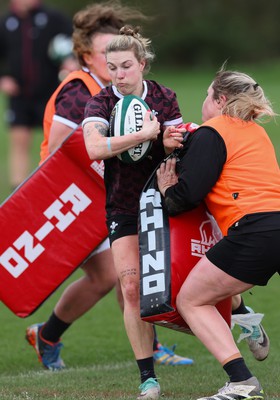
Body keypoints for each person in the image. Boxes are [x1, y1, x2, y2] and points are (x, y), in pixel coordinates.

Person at [25, 2, 193, 373]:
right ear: (87, 55)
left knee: (126, 275)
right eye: (105, 56)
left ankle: (149, 344)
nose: (113, 64)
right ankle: (49, 335)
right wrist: (123, 150)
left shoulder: (128, 94)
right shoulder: (79, 90)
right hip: (72, 198)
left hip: (107, 193)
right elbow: (58, 153)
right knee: (110, 276)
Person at [156, 64, 280, 400]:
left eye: (209, 95)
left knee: (191, 300)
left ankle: (241, 381)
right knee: (216, 280)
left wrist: (167, 188)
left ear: (221, 100)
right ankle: (247, 319)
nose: (205, 102)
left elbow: (186, 197)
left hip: (253, 230)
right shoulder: (255, 131)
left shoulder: (213, 131)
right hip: (271, 224)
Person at [82, 25, 189, 399]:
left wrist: (171, 140)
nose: (119, 75)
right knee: (131, 287)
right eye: (112, 68)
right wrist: (145, 136)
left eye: (126, 66)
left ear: (142, 64)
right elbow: (95, 148)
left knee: (188, 281)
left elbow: (177, 146)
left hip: (166, 202)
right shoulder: (100, 103)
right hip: (124, 205)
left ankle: (240, 312)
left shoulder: (164, 97)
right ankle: (148, 378)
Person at [0, 0, 75, 190]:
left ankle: (57, 187)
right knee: (19, 144)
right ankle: (18, 191)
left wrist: (69, 61)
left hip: (51, 95)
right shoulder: (6, 23)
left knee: (56, 145)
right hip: (19, 96)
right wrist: (3, 78)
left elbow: (73, 43)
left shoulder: (53, 18)